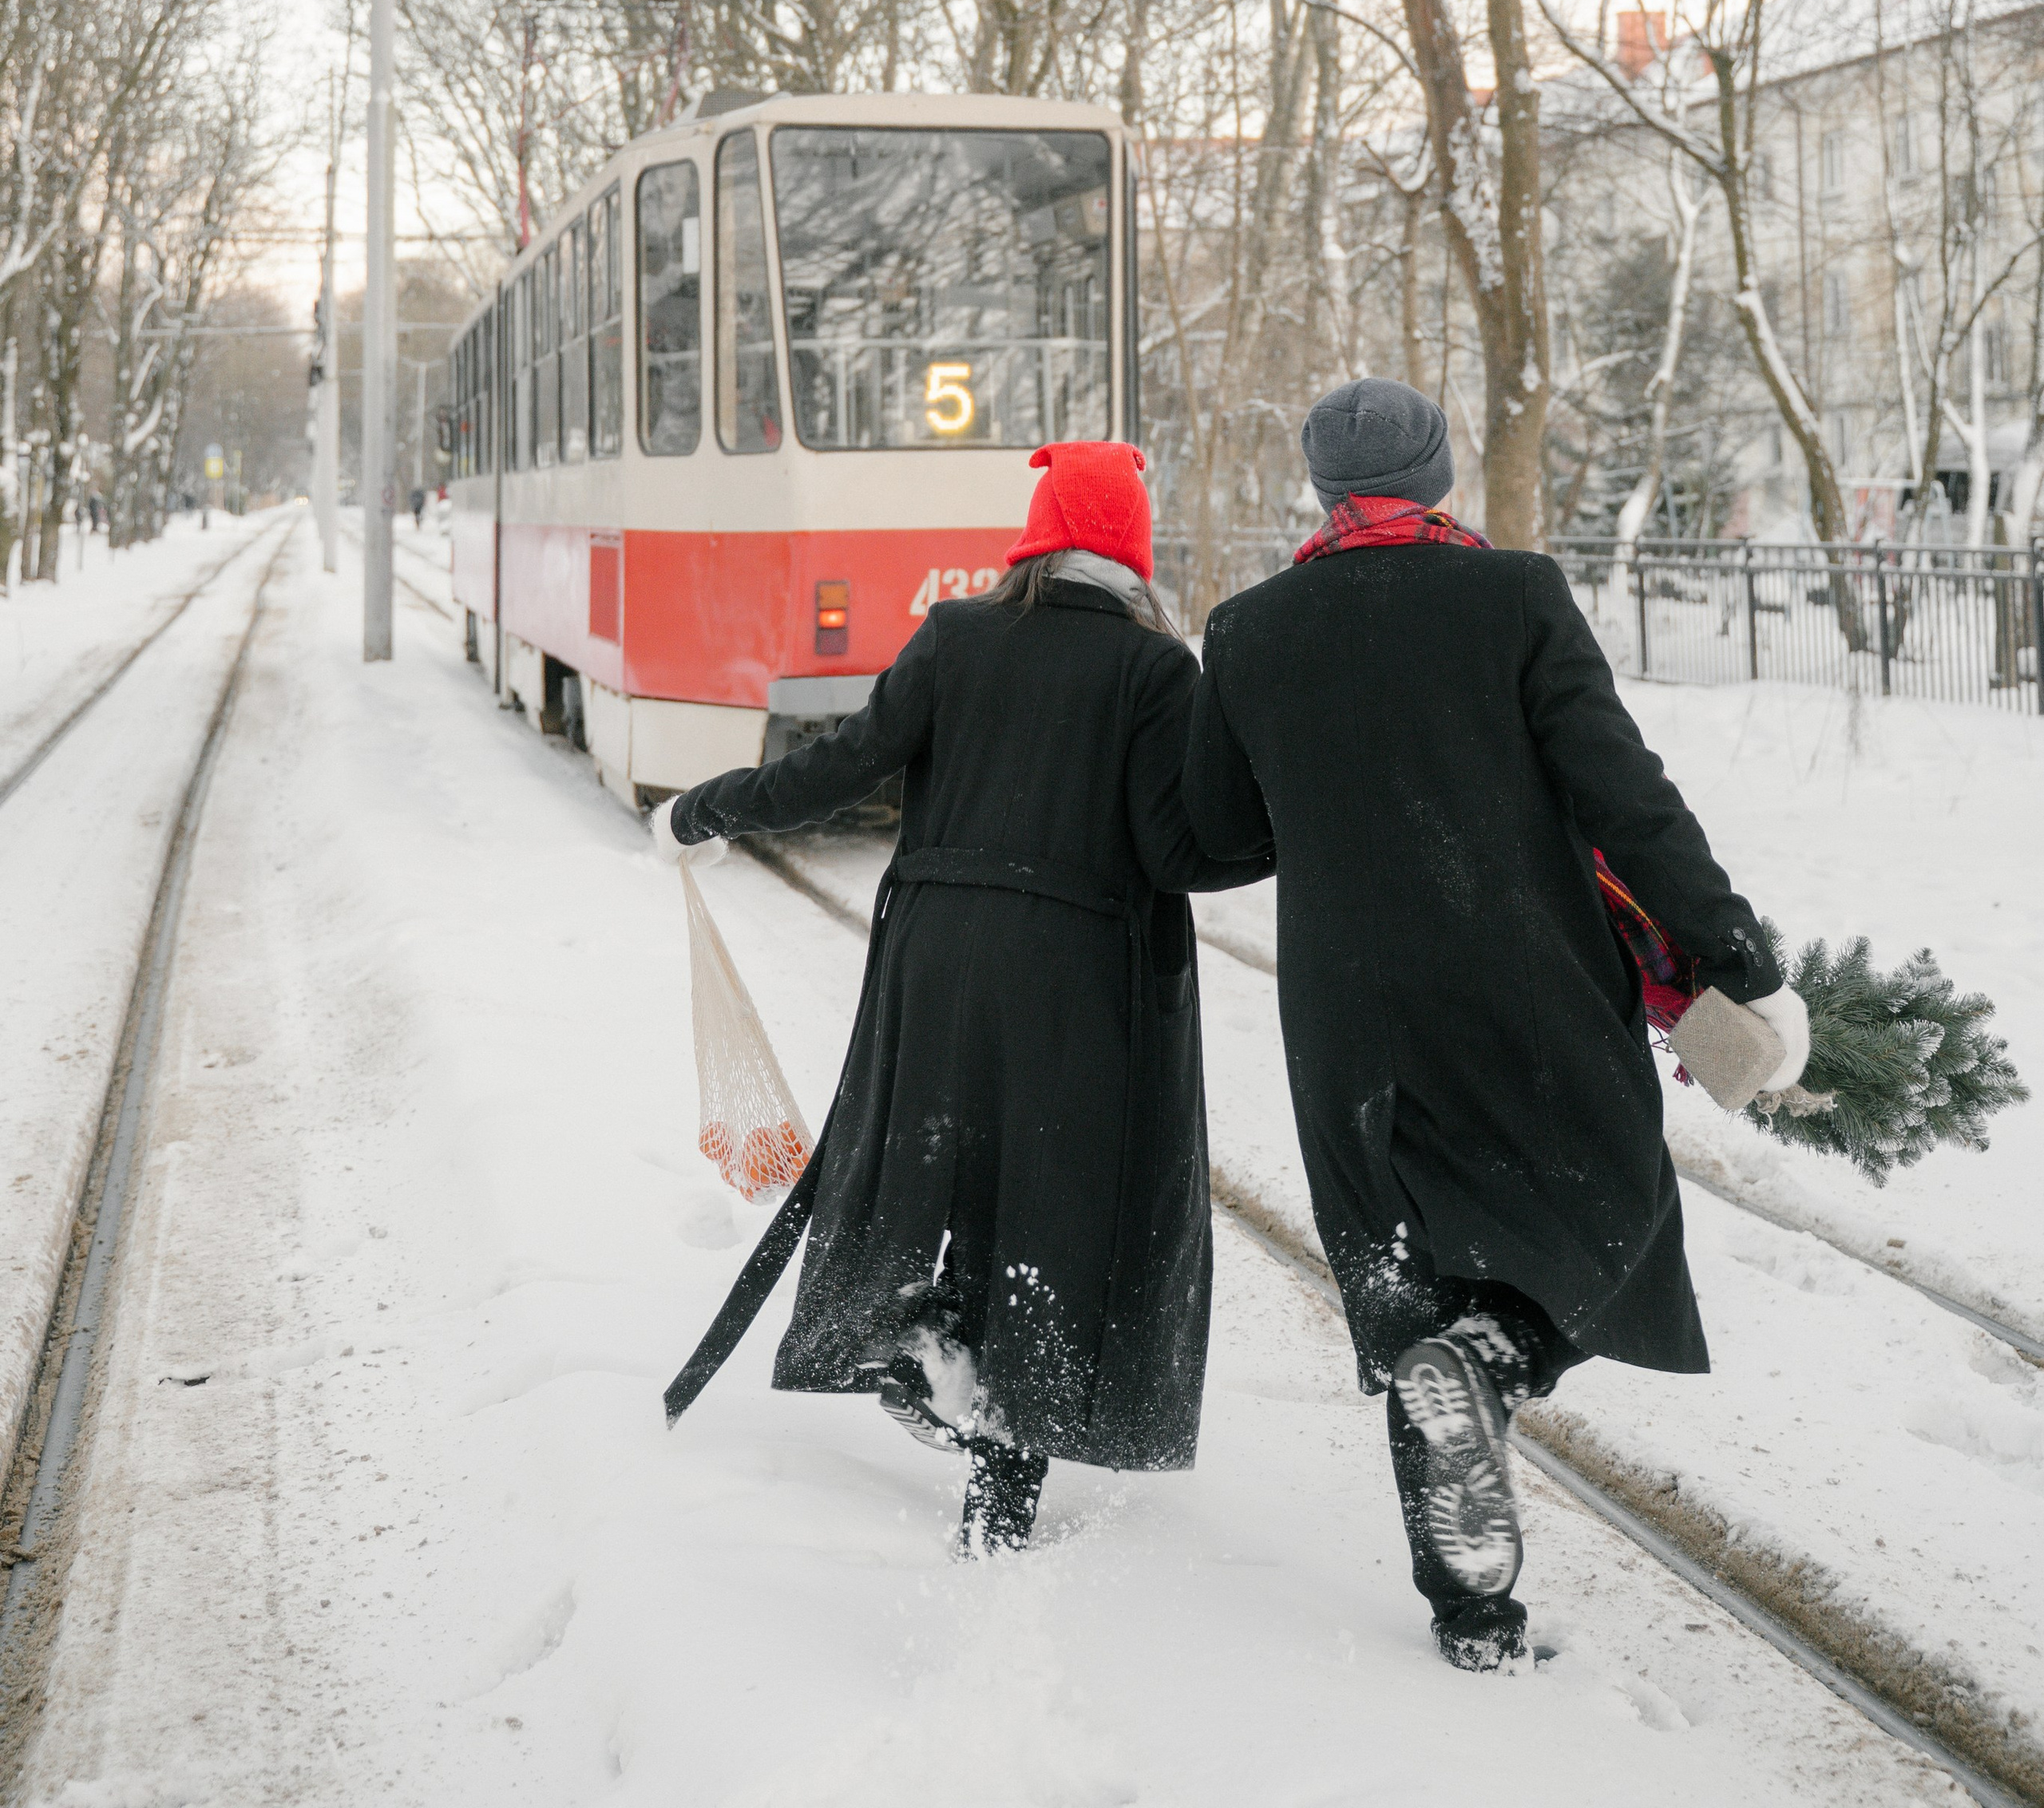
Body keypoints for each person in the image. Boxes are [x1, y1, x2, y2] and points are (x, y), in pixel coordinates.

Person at [1178, 378, 1808, 1672]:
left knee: (1416, 1293)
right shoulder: (1514, 598)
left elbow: (1212, 840)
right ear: (1440, 475)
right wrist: (1730, 949)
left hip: (1352, 1019)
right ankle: (1502, 1358)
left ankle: (1473, 1619)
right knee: (1605, 1209)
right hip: (1523, 986)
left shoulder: (1251, 631)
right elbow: (1624, 797)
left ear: (1322, 488)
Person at [652, 439, 1272, 1555]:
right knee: (1039, 1212)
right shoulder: (1152, 670)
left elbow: (838, 769)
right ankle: (999, 1497)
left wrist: (711, 807)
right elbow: (1175, 855)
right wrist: (1287, 823)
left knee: (924, 1166)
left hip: (935, 962)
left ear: (1035, 537)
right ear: (1131, 549)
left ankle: (917, 1331)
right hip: (1076, 985)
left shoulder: (956, 638)